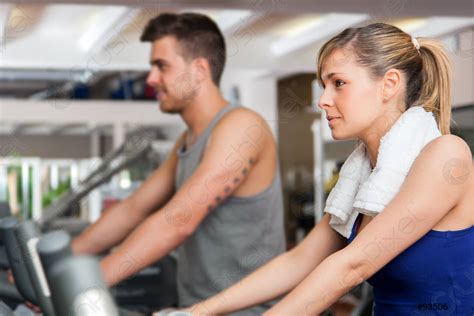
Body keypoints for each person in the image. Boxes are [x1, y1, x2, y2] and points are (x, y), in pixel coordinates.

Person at [186, 23, 474, 315]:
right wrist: (196, 311)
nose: (323, 100)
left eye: (338, 83)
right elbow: (299, 261)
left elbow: (353, 265)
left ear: (389, 84)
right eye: (324, 85)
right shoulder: (366, 175)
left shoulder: (446, 156)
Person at [71, 13, 286, 314]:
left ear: (199, 70)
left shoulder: (242, 128)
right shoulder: (186, 141)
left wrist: (87, 282)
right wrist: (65, 259)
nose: (151, 79)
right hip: (194, 309)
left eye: (162, 66)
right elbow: (133, 209)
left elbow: (178, 220)